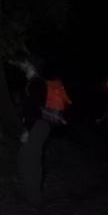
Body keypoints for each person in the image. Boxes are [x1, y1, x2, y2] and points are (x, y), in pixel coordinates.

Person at [13, 57, 70, 205]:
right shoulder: (35, 83)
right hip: (39, 125)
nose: (21, 65)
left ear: (31, 65)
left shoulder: (37, 83)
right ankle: (30, 194)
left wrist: (28, 129)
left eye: (24, 62)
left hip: (38, 125)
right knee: (26, 157)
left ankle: (34, 197)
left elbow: (34, 109)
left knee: (30, 159)